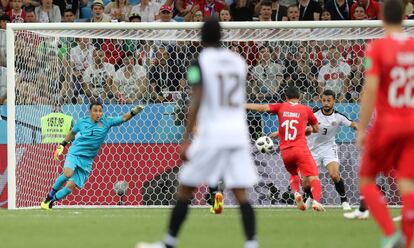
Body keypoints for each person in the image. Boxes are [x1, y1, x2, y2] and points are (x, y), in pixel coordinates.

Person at [136, 18, 259, 248]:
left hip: (212, 133)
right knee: (241, 193)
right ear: (222, 37)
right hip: (237, 133)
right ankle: (252, 243)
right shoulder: (239, 62)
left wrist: (185, 139)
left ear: (201, 38)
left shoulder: (198, 63)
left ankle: (168, 242)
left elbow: (196, 97)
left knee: (185, 188)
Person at [357, 0, 414, 247]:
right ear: (404, 17)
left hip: (388, 124)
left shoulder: (376, 48)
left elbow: (370, 89)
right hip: (412, 122)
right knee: (407, 183)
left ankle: (391, 234)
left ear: (381, 17)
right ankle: (407, 239)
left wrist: (361, 127)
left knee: (367, 179)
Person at [40, 101, 144, 209]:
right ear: (90, 112)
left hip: (87, 160)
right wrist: (62, 145)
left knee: (71, 186)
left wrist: (133, 112)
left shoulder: (106, 121)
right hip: (75, 153)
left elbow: (122, 118)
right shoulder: (82, 122)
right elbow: (72, 133)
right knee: (68, 173)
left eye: (100, 111)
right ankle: (49, 196)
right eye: (95, 111)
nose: (98, 113)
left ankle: (51, 201)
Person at [247, 86, 325, 212]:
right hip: (300, 149)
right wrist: (308, 130)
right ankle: (316, 201)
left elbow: (262, 108)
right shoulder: (306, 109)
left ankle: (296, 193)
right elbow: (316, 129)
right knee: (314, 177)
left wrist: (244, 105)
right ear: (299, 98)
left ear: (286, 98)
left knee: (294, 174)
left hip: (286, 152)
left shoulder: (281, 106)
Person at [304, 89, 357, 211]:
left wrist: (361, 128)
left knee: (334, 175)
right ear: (321, 101)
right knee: (306, 182)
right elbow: (302, 127)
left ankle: (344, 200)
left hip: (329, 148)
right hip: (312, 149)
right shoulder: (314, 114)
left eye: (329, 100)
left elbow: (352, 124)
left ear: (334, 101)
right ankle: (310, 197)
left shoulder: (338, 116)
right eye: (324, 100)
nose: (326, 103)